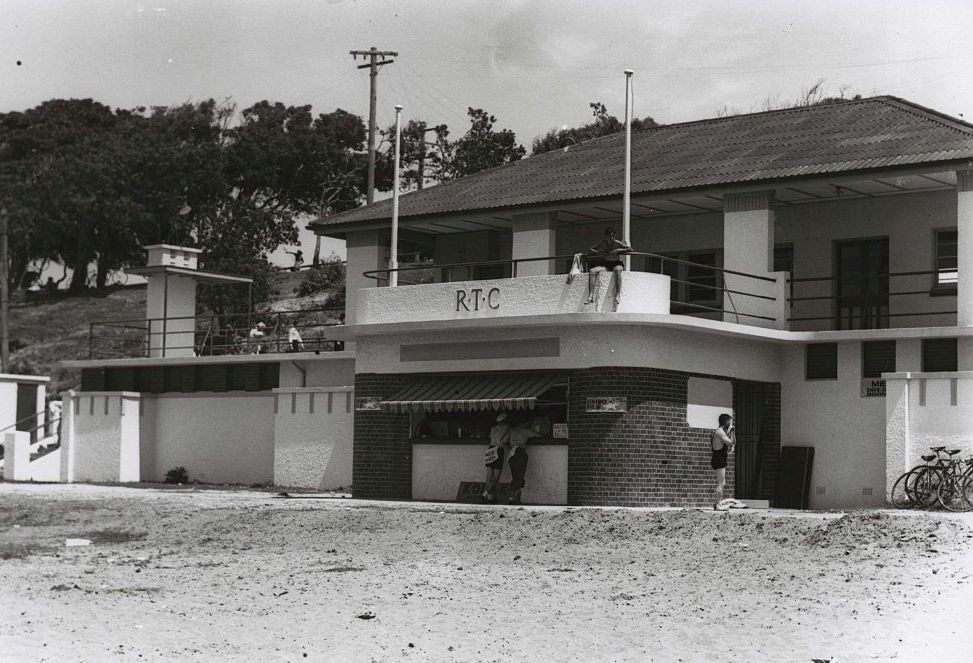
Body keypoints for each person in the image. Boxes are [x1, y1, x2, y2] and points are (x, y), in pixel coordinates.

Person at [585, 227, 632, 309]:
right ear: (606, 236)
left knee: (617, 270)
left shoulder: (617, 243)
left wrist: (617, 250)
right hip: (607, 264)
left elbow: (630, 249)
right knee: (592, 271)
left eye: (613, 236)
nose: (612, 237)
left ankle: (617, 295)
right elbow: (590, 250)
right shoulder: (602, 243)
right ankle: (591, 296)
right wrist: (598, 252)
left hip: (616, 263)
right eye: (610, 236)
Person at [506, 419, 537, 505]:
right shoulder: (526, 431)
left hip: (511, 453)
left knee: (515, 475)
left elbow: (506, 440)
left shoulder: (512, 430)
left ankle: (516, 496)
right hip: (520, 451)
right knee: (520, 474)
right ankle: (512, 496)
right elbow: (538, 434)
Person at [482, 413, 511, 503]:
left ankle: (490, 497)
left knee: (489, 475)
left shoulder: (493, 428)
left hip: (490, 449)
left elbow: (490, 437)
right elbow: (506, 441)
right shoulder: (508, 428)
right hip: (499, 450)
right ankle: (485, 494)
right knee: (496, 477)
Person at [711, 413, 736, 510]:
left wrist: (731, 432)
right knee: (720, 483)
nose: (731, 424)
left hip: (719, 458)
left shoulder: (720, 431)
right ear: (726, 423)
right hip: (719, 459)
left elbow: (731, 443)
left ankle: (718, 502)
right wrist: (732, 431)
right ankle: (717, 505)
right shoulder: (720, 432)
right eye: (730, 422)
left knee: (723, 483)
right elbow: (731, 442)